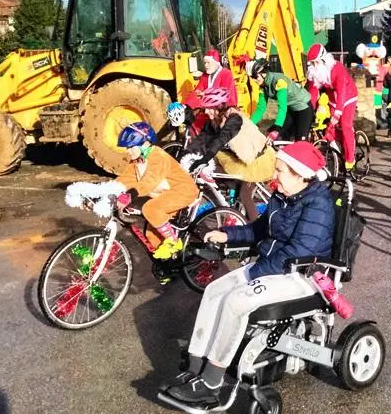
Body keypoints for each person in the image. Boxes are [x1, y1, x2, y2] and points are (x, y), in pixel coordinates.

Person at [162, 142, 335, 408]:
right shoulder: (284, 196)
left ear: (300, 175)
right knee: (214, 291)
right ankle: (195, 366)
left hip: (302, 275)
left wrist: (256, 272)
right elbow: (260, 230)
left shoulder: (318, 206)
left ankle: (210, 383)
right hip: (274, 267)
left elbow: (299, 251)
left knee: (235, 302)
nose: (274, 176)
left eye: (280, 171)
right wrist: (228, 235)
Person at [181, 88, 277, 221]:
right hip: (241, 158)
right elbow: (202, 138)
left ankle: (255, 230)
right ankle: (232, 196)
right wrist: (183, 154)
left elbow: (221, 138)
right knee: (217, 166)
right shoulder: (215, 120)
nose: (207, 112)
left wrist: (204, 159)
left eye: (209, 108)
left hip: (258, 160)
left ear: (219, 107)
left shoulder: (234, 119)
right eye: (205, 108)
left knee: (244, 195)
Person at [115, 122, 200, 259]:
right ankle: (168, 272)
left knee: (150, 209)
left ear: (145, 144)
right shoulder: (138, 160)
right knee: (153, 237)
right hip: (166, 195)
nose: (127, 151)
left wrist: (131, 194)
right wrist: (103, 192)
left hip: (183, 191)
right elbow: (124, 179)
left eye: (131, 147)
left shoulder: (158, 156)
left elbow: (150, 180)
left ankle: (173, 242)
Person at [306, 45, 359, 171]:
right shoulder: (315, 72)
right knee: (329, 128)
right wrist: (309, 111)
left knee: (345, 125)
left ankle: (350, 158)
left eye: (316, 62)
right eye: (311, 63)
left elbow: (342, 91)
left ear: (323, 60)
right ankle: (339, 147)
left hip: (348, 97)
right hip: (332, 99)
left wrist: (337, 113)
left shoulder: (337, 68)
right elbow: (313, 93)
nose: (314, 65)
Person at [246, 59, 314, 141]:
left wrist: (277, 128)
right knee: (275, 135)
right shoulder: (263, 87)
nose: (253, 80)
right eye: (251, 77)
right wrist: (248, 125)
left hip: (303, 107)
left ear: (263, 73)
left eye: (255, 76)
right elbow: (260, 109)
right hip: (291, 109)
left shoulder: (279, 81)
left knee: (300, 142)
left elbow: (282, 106)